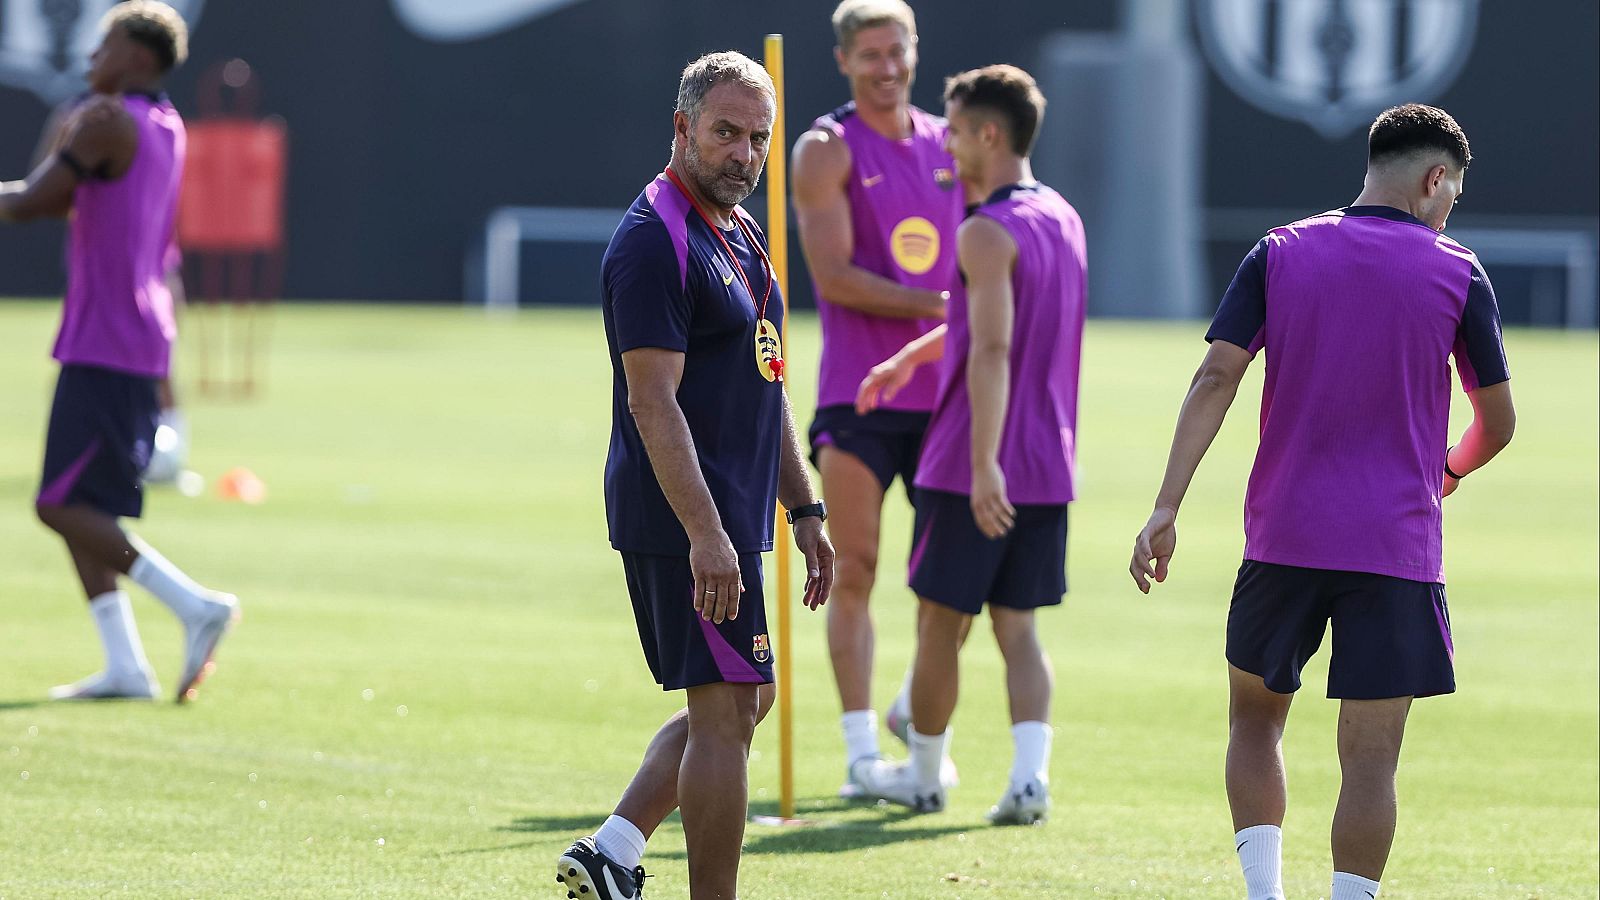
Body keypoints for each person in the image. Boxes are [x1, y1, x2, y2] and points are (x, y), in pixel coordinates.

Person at [1129, 103, 1515, 900]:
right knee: (1371, 759)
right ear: (1435, 179)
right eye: (1453, 194)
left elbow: (1215, 379)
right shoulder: (1457, 269)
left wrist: (1166, 506)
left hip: (1283, 538)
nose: (1449, 209)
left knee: (1255, 719)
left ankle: (1263, 894)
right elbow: (1497, 423)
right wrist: (1445, 473)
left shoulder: (1279, 251)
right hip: (1397, 548)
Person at [557, 51, 835, 900]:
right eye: (725, 133)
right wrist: (707, 536)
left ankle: (612, 850)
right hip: (684, 521)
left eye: (758, 138)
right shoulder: (654, 239)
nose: (743, 153)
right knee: (727, 712)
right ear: (682, 128)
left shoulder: (742, 232)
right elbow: (653, 404)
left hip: (733, 519)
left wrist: (806, 507)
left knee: (746, 702)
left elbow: (768, 378)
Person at [854, 64, 1085, 824]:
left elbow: (992, 350)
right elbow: (985, 326)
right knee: (1018, 628)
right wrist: (910, 358)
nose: (945, 142)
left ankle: (922, 775)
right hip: (1049, 464)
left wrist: (984, 461)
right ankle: (1030, 778)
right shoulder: (1063, 218)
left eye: (954, 129)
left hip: (971, 463)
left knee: (937, 625)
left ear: (990, 134)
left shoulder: (984, 229)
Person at [0, 0, 237, 704]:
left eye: (105, 45)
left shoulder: (105, 121)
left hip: (107, 337)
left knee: (59, 507)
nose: (92, 56)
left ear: (137, 55)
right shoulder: (163, 122)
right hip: (126, 334)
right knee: (80, 502)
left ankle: (196, 604)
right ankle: (125, 664)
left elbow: (39, 198)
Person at [790, 0, 964, 798]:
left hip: (945, 397)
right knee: (854, 564)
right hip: (857, 397)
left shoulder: (952, 143)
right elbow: (832, 277)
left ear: (915, 53)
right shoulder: (825, 148)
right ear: (843, 61)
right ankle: (862, 752)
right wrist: (943, 308)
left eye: (897, 51)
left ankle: (911, 712)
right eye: (870, 54)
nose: (886, 67)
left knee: (953, 582)